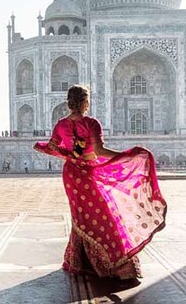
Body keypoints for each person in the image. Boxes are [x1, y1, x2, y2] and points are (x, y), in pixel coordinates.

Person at [33, 84, 166, 280]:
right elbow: (100, 151)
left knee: (82, 217)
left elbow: (52, 147)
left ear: (69, 103)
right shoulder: (91, 123)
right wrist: (125, 156)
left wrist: (69, 155)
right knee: (103, 213)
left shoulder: (60, 124)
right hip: (87, 172)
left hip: (71, 174)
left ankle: (82, 261)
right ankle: (112, 262)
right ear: (86, 102)